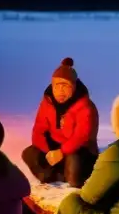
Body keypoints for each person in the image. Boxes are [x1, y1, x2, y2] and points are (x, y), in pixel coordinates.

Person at [21, 57, 99, 188]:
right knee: (29, 153)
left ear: (74, 86)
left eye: (66, 86)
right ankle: (53, 175)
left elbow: (81, 137)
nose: (60, 91)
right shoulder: (47, 102)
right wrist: (47, 154)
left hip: (79, 150)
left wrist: (61, 152)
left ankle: (72, 176)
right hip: (54, 148)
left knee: (74, 174)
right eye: (57, 85)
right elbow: (38, 129)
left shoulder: (85, 106)